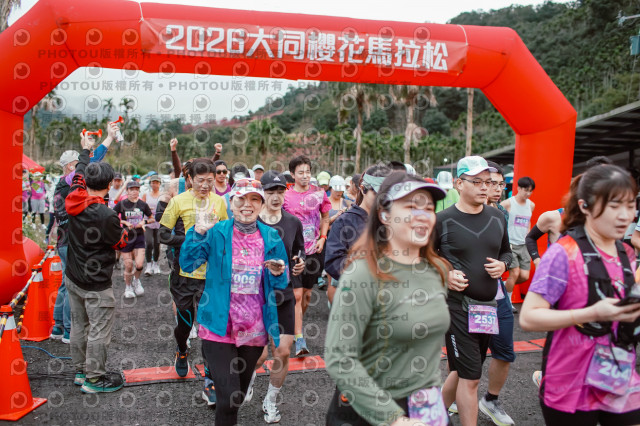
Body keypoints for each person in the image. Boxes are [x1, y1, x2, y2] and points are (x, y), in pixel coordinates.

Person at [325, 171, 451, 426]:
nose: (422, 215)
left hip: (426, 407)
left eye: (428, 208)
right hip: (368, 409)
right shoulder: (362, 274)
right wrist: (393, 419)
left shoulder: (437, 270)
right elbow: (340, 358)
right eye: (410, 206)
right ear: (384, 215)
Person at [520, 164, 640, 425]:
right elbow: (528, 318)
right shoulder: (563, 252)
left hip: (618, 375)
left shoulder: (627, 253)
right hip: (569, 381)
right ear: (584, 206)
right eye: (614, 206)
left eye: (631, 205)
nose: (625, 216)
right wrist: (591, 313)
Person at [179, 178, 288, 426]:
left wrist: (279, 272)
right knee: (227, 398)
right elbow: (188, 263)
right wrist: (198, 231)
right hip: (218, 327)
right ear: (231, 202)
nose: (247, 205)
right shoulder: (217, 232)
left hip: (253, 329)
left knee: (236, 398)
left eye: (254, 199)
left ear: (261, 204)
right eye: (241, 199)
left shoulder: (271, 237)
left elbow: (281, 282)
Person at [435, 156, 512, 426]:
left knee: (462, 371)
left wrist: (503, 265)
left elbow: (506, 252)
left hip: (487, 308)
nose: (484, 187)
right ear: (459, 183)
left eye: (488, 182)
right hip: (457, 306)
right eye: (477, 181)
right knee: (471, 378)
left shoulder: (497, 216)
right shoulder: (441, 220)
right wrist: (445, 273)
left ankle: (429, 417)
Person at [159, 158, 228, 406]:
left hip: (210, 276)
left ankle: (210, 380)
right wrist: (192, 239)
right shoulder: (178, 201)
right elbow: (163, 234)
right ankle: (182, 350)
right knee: (185, 324)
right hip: (184, 275)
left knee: (209, 329)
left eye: (210, 180)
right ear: (190, 179)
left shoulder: (220, 202)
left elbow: (225, 233)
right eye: (201, 181)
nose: (206, 185)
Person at [64, 132, 129, 393]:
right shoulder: (106, 215)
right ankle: (94, 379)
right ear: (110, 184)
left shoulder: (74, 197)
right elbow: (121, 242)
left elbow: (79, 171)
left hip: (73, 275)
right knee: (99, 330)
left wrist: (85, 150)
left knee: (79, 324)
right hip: (96, 282)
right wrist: (124, 228)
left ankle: (81, 371)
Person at [251, 170, 306, 423]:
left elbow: (299, 252)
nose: (276, 196)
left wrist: (300, 264)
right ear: (262, 193)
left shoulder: (293, 222)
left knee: (283, 352)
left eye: (280, 191)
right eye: (270, 191)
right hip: (255, 297)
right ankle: (248, 380)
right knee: (258, 355)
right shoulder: (251, 222)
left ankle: (270, 400)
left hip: (283, 295)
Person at [283, 155, 331, 356]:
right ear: (292, 174)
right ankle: (299, 336)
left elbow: (325, 217)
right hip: (294, 252)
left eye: (308, 172)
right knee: (297, 294)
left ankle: (296, 322)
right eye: (300, 172)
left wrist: (323, 238)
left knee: (307, 295)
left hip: (314, 251)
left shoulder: (319, 193)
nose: (305, 176)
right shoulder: (286, 196)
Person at [324, 164, 391, 305]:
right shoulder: (345, 221)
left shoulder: (391, 220)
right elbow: (333, 261)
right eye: (377, 193)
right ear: (363, 189)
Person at [113, 181, 154, 298]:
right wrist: (124, 222)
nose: (134, 191)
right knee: (128, 265)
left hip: (139, 237)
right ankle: (128, 287)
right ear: (127, 191)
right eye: (132, 189)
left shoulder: (143, 204)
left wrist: (144, 222)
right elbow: (112, 217)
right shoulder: (122, 204)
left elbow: (152, 218)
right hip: (126, 237)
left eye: (136, 189)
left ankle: (136, 281)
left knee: (139, 264)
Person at [501, 176, 535, 300]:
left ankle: (504, 285)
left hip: (523, 244)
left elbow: (528, 221)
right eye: (526, 190)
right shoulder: (507, 203)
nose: (528, 193)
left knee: (525, 276)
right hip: (510, 244)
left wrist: (528, 235)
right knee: (514, 273)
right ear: (519, 188)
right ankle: (508, 302)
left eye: (530, 191)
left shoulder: (531, 205)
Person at [142, 175, 162, 275]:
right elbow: (141, 208)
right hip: (148, 222)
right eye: (153, 182)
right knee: (149, 243)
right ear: (150, 184)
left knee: (157, 244)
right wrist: (147, 210)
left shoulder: (162, 196)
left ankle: (155, 263)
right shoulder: (146, 195)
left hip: (159, 223)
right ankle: (148, 265)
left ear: (160, 184)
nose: (154, 184)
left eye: (156, 183)